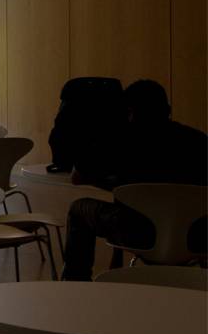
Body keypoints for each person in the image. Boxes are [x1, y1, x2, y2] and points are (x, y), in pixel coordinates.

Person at [61, 80, 207, 280]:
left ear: (128, 111)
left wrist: (120, 186)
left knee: (78, 209)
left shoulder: (119, 141)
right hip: (195, 237)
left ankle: (75, 283)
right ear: (168, 109)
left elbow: (77, 177)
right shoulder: (198, 140)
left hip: (138, 233)